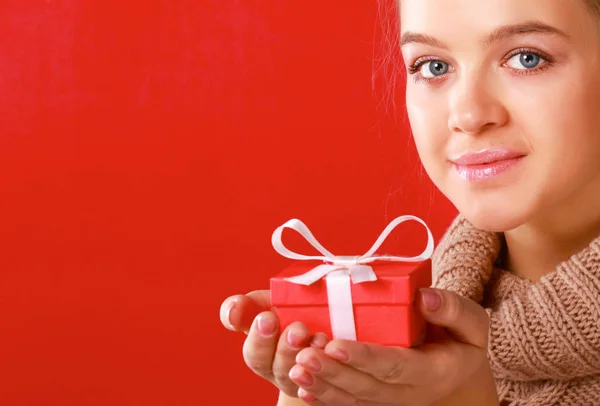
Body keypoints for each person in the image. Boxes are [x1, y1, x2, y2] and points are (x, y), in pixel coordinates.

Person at [219, 0, 600, 404]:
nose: (468, 115)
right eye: (433, 66)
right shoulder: (401, 337)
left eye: (527, 58)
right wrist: (314, 390)